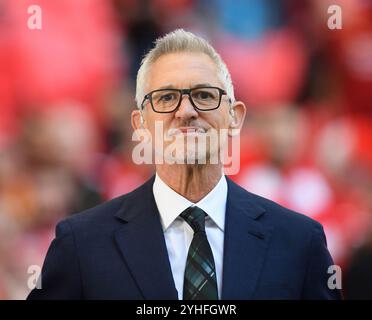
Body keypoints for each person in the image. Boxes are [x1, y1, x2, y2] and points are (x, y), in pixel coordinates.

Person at [28, 29, 341, 300]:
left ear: (236, 117)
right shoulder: (82, 244)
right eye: (166, 98)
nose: (186, 111)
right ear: (139, 124)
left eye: (204, 95)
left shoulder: (299, 242)